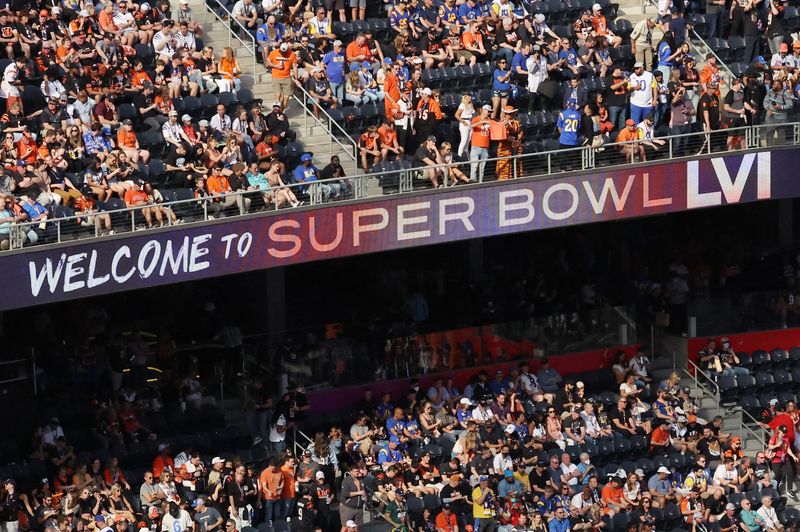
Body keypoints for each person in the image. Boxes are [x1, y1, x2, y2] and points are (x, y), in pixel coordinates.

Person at [495, 106, 522, 180]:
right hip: (504, 148)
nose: (507, 115)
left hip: (516, 147)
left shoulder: (517, 122)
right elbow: (502, 135)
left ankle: (517, 178)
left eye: (509, 114)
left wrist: (517, 139)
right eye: (506, 114)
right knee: (504, 165)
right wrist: (512, 140)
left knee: (517, 164)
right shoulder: (501, 123)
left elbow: (520, 132)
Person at [469, 105, 492, 183]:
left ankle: (480, 181)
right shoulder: (476, 118)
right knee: (474, 165)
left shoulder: (489, 120)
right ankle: (473, 181)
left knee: (482, 167)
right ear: (482, 110)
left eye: (490, 112)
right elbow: (471, 126)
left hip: (485, 146)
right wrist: (481, 122)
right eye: (487, 111)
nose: (488, 113)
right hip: (476, 145)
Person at [556, 99, 581, 170]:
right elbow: (578, 127)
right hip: (574, 140)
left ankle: (562, 170)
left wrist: (563, 134)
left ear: (567, 104)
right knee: (574, 161)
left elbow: (559, 127)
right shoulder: (578, 115)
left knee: (563, 159)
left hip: (564, 140)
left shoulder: (562, 114)